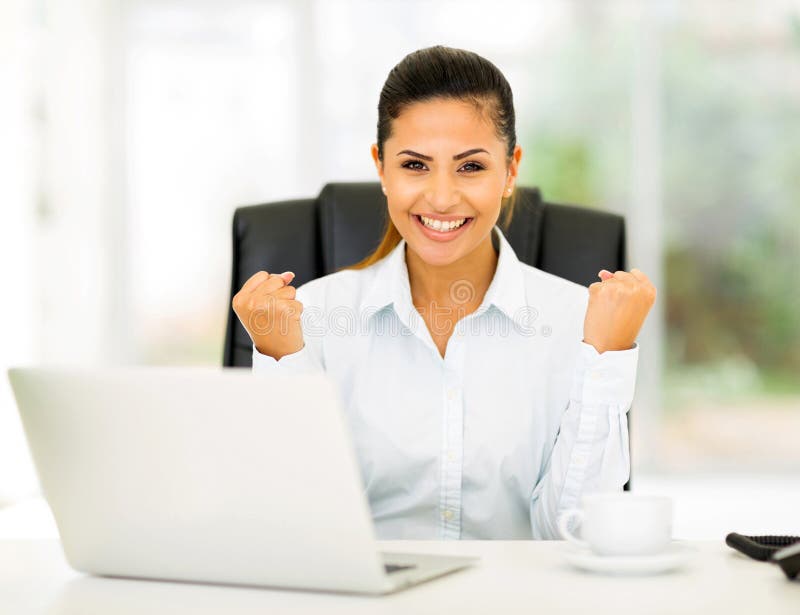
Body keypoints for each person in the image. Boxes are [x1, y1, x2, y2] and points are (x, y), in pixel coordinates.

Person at [231, 45, 656, 540]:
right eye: (414, 165)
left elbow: (572, 537)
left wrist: (604, 359)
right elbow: (293, 532)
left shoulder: (581, 325)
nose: (440, 197)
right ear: (381, 168)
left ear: (511, 170)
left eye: (471, 167)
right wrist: (283, 361)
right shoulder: (311, 320)